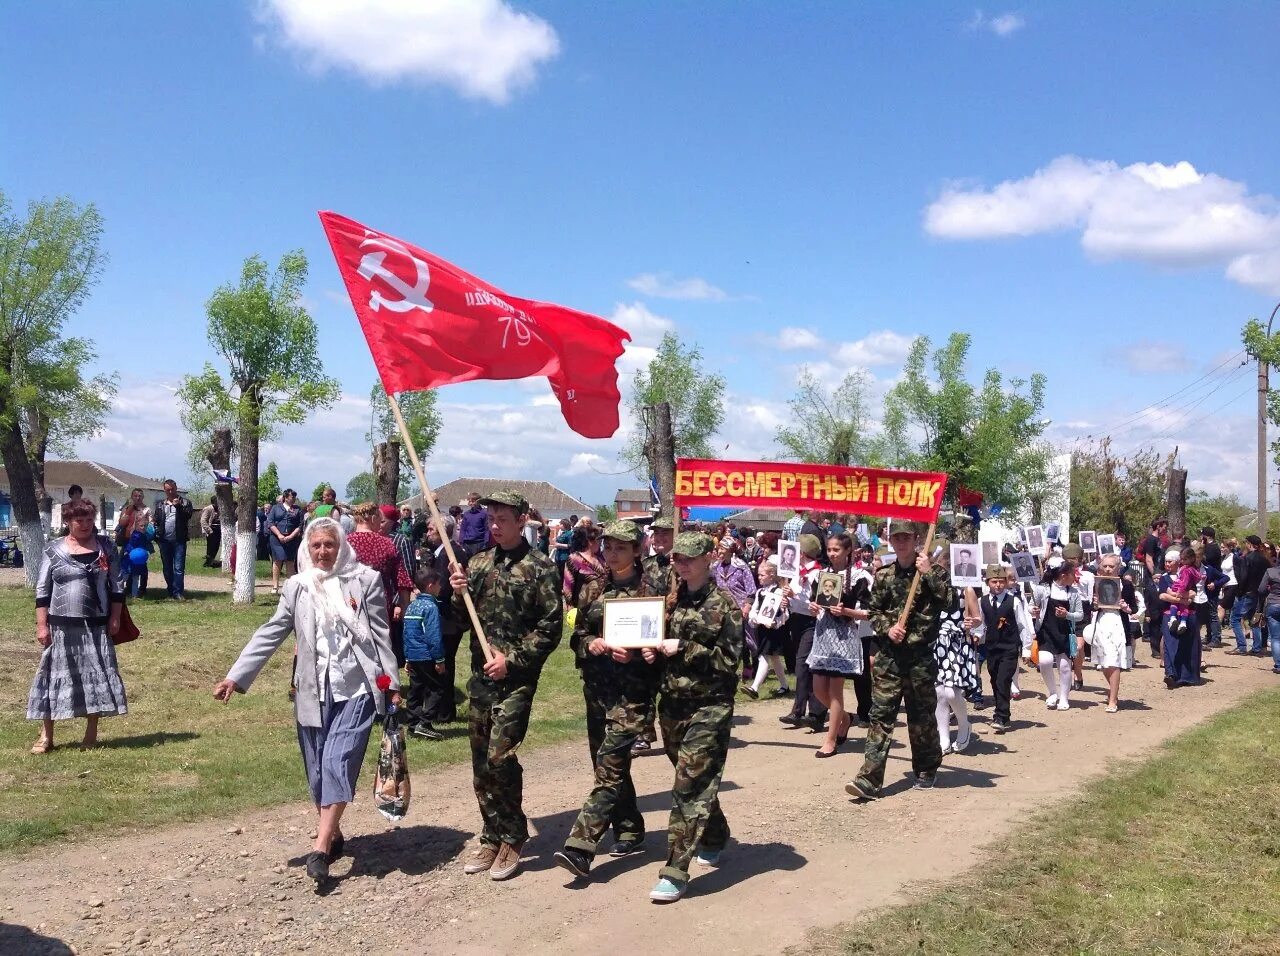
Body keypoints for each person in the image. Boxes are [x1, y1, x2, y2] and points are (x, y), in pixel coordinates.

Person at [213, 517, 399, 885]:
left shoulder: (365, 580)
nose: (323, 551)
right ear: (307, 549)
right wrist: (236, 675)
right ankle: (333, 834)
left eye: (329, 544)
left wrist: (391, 682)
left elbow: (380, 635)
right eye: (316, 546)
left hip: (356, 687)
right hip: (312, 690)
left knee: (337, 762)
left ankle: (319, 847)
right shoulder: (298, 587)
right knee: (317, 771)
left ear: (342, 545)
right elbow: (272, 631)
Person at [448, 490, 561, 882]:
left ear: (520, 520)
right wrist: (457, 591)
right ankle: (491, 834)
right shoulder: (478, 563)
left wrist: (510, 661)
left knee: (500, 756)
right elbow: (462, 620)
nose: (495, 526)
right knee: (481, 763)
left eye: (503, 519)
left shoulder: (541, 567)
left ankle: (513, 835)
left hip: (515, 682)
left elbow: (550, 629)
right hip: (480, 679)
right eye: (491, 519)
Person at [553, 521, 661, 880]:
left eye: (621, 548)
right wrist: (592, 644)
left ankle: (581, 847)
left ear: (636, 550)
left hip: (633, 695)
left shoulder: (654, 590)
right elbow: (578, 635)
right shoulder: (593, 588)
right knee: (607, 763)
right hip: (598, 690)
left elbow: (666, 645)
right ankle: (630, 829)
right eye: (608, 547)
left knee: (609, 765)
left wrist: (645, 653)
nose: (613, 554)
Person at [638, 532, 743, 903]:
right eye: (678, 558)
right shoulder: (672, 600)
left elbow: (730, 663)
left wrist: (685, 647)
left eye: (689, 559)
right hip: (673, 705)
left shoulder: (724, 605)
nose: (682, 564)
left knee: (688, 784)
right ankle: (713, 834)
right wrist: (655, 653)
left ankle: (674, 870)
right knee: (693, 779)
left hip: (709, 706)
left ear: (709, 558)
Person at [846, 523, 950, 800]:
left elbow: (949, 602)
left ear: (916, 539)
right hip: (889, 659)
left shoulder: (933, 572)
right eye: (896, 538)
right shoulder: (884, 575)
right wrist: (887, 628)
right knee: (880, 717)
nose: (901, 542)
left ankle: (927, 767)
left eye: (906, 537)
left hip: (919, 658)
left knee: (921, 718)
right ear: (890, 541)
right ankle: (869, 779)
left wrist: (928, 575)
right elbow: (874, 611)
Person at [27, 499, 128, 753]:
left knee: (94, 678)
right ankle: (46, 736)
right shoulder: (53, 550)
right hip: (60, 627)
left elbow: (116, 586)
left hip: (96, 625)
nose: (84, 525)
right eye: (78, 521)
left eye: (88, 520)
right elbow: (42, 590)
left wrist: (114, 618)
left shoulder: (106, 547)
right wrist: (42, 626)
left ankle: (91, 734)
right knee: (51, 679)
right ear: (68, 522)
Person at [807, 533, 869, 758]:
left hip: (844, 638)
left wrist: (846, 611)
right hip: (822, 635)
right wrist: (813, 607)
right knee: (817, 689)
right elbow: (814, 602)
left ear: (848, 551)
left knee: (834, 691)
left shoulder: (860, 576)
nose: (832, 554)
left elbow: (868, 612)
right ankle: (845, 718)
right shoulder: (820, 575)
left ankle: (830, 740)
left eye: (837, 550)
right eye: (829, 549)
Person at [348, 503, 414, 664]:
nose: (381, 525)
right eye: (380, 520)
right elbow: (402, 580)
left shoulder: (344, 544)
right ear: (372, 519)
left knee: (351, 647)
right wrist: (404, 607)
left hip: (349, 604)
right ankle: (383, 683)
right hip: (380, 605)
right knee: (381, 648)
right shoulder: (386, 544)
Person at [932, 550, 981, 754]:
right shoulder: (933, 588)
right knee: (938, 692)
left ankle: (963, 724)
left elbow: (978, 617)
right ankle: (943, 736)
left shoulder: (966, 589)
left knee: (952, 692)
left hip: (956, 642)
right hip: (936, 642)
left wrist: (973, 622)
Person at [779, 534, 829, 733]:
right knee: (805, 666)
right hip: (797, 620)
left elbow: (819, 604)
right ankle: (803, 711)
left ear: (804, 552)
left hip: (811, 622)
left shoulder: (818, 574)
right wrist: (788, 601)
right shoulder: (796, 573)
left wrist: (795, 597)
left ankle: (808, 711)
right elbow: (796, 600)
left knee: (804, 665)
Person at [980, 564, 1028, 732]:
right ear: (988, 583)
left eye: (1001, 581)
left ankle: (1002, 716)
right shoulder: (983, 601)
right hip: (992, 648)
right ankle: (1000, 712)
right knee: (994, 680)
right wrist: (976, 634)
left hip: (1009, 647)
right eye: (994, 581)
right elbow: (981, 623)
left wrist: (1027, 649)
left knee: (1003, 680)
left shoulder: (1013, 601)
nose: (998, 585)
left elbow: (1023, 625)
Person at [1088, 553, 1137, 712]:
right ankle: (1113, 690)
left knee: (1113, 660)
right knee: (1103, 662)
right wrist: (1095, 604)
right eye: (1105, 566)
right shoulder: (1096, 583)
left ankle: (1113, 699)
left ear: (1118, 568)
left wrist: (1125, 607)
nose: (1108, 569)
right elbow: (1092, 606)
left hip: (1118, 623)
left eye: (1111, 566)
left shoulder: (1126, 585)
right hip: (1101, 622)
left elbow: (1133, 609)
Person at [402, 566, 447, 740]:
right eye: (438, 584)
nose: (440, 587)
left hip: (413, 655)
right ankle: (425, 722)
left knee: (416, 689)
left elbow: (406, 633)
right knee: (437, 688)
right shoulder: (431, 607)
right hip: (427, 655)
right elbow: (433, 636)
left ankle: (413, 725)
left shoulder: (412, 606)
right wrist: (439, 659)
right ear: (430, 585)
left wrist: (407, 657)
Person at [1034, 560, 1083, 710]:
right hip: (1046, 632)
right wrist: (1033, 611)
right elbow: (1031, 606)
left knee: (1065, 666)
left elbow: (1080, 615)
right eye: (1073, 574)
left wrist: (1067, 614)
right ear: (1064, 575)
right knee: (1045, 661)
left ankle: (1064, 697)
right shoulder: (1043, 589)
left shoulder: (1073, 593)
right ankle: (1052, 692)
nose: (1075, 577)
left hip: (1068, 634)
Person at [744, 557, 791, 698]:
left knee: (764, 657)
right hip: (763, 629)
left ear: (771, 575)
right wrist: (754, 619)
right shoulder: (760, 592)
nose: (759, 577)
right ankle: (785, 685)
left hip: (774, 631)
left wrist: (776, 622)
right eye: (758, 574)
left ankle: (754, 687)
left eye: (762, 575)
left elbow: (785, 614)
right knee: (775, 659)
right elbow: (755, 609)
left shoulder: (778, 592)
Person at [1228, 535, 1269, 657]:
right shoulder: (1264, 559)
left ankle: (1241, 646)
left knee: (1235, 619)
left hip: (1247, 592)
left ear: (1250, 544)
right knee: (1253, 619)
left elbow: (1244, 577)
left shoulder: (1248, 558)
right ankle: (1257, 647)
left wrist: (1239, 591)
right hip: (1258, 592)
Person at [152, 479, 193, 600]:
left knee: (179, 568)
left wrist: (178, 506)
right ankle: (171, 590)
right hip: (164, 540)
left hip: (179, 540)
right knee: (167, 568)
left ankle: (178, 593)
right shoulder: (160, 504)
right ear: (164, 490)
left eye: (172, 489)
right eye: (167, 489)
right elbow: (156, 520)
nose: (170, 491)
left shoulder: (185, 502)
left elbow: (188, 516)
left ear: (176, 488)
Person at [115, 487, 153, 598]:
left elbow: (151, 524)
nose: (138, 498)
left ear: (143, 497)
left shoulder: (147, 510)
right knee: (126, 563)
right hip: (128, 540)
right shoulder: (127, 508)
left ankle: (142, 588)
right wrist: (128, 511)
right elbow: (121, 523)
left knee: (141, 563)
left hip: (141, 540)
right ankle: (128, 587)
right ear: (132, 497)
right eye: (135, 496)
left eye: (140, 496)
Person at [267, 489, 305, 593]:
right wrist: (279, 535)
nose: (293, 499)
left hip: (292, 539)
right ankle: (275, 586)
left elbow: (300, 525)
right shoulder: (276, 508)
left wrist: (291, 536)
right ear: (286, 497)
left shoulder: (297, 509)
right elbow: (270, 522)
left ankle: (289, 587)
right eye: (292, 497)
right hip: (276, 538)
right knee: (277, 560)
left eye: (294, 497)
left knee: (290, 561)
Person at [1257, 556, 1280, 675]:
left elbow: (1261, 589)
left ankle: (1279, 665)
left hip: (1273, 604)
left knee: (1276, 638)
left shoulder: (1270, 571)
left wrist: (1270, 590)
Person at [459, 491, 490, 557]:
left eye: (473, 501)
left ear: (478, 501)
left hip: (479, 543)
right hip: (467, 543)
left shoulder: (484, 514)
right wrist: (461, 541)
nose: (471, 503)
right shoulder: (466, 514)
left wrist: (486, 543)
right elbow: (463, 529)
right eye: (469, 501)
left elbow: (487, 529)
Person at [200, 497, 221, 568]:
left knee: (216, 546)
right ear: (213, 502)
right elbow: (203, 521)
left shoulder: (220, 508)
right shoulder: (208, 509)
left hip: (218, 529)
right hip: (211, 530)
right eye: (217, 501)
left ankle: (211, 561)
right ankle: (208, 562)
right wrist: (209, 530)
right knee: (211, 547)